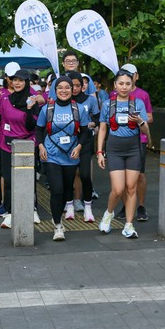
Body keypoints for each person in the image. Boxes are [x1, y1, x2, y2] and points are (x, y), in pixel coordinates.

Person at [97, 69, 150, 239]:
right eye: (121, 83)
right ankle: (108, 213)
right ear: (115, 85)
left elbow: (146, 130)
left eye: (128, 83)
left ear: (132, 85)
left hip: (134, 149)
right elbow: (102, 129)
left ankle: (128, 225)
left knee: (131, 187)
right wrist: (100, 152)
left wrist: (140, 121)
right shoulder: (108, 105)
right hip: (114, 149)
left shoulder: (138, 103)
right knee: (118, 189)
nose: (124, 87)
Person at [36, 76, 90, 240]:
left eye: (67, 87)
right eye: (60, 88)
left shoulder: (79, 109)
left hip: (70, 155)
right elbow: (38, 130)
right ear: (55, 90)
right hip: (51, 154)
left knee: (67, 189)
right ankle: (58, 226)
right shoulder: (47, 109)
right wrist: (41, 146)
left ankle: (57, 216)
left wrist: (79, 147)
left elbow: (85, 132)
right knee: (57, 189)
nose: (64, 90)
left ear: (72, 90)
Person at [0, 69, 41, 228]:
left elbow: (31, 126)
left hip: (27, 145)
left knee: (28, 180)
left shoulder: (32, 100)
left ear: (26, 82)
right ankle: (11, 213)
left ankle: (32, 209)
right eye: (15, 80)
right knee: (9, 180)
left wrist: (30, 109)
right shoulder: (5, 99)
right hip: (8, 145)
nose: (17, 83)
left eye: (21, 80)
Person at [114, 63, 154, 222]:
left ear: (136, 76)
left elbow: (150, 117)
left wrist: (138, 119)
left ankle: (141, 206)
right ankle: (126, 206)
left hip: (138, 140)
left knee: (140, 175)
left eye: (131, 75)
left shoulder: (143, 95)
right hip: (119, 141)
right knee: (122, 177)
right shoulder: (113, 95)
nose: (124, 85)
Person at [66, 72, 100, 220]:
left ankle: (88, 206)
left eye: (77, 85)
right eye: (71, 86)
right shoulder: (63, 100)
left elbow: (98, 117)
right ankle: (69, 205)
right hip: (68, 142)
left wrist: (93, 123)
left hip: (85, 140)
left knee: (85, 174)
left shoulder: (90, 100)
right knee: (68, 175)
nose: (74, 88)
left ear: (83, 86)